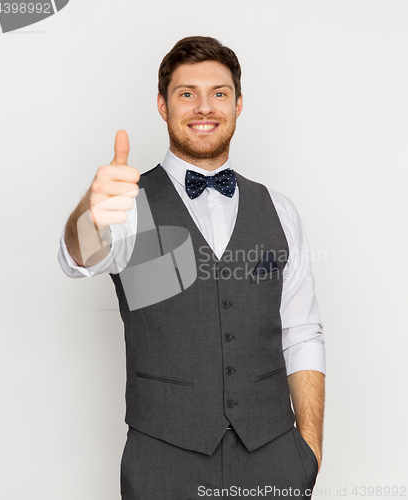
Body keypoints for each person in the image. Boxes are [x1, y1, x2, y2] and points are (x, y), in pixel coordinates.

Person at [58, 36, 326, 499]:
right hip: (162, 460)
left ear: (239, 105)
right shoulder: (129, 205)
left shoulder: (279, 210)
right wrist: (91, 211)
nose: (205, 107)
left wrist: (309, 451)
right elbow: (77, 258)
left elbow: (302, 333)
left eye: (219, 93)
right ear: (163, 106)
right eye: (187, 93)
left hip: (275, 455)